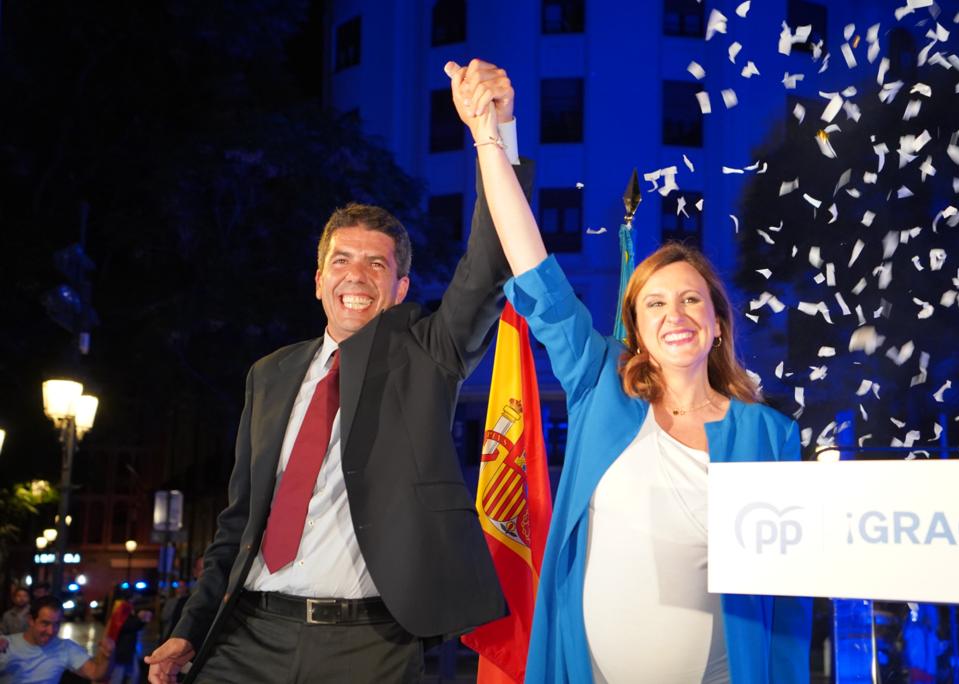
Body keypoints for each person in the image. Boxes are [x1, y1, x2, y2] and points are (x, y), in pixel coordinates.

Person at [145, 59, 534, 684]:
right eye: (342, 260)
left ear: (401, 288)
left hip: (371, 648)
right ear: (319, 278)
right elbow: (237, 525)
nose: (357, 274)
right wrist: (187, 631)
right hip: (245, 638)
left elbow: (491, 262)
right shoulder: (268, 375)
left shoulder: (427, 352)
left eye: (377, 265)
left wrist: (496, 134)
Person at [452, 64, 813, 682]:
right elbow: (532, 263)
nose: (675, 314)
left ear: (719, 323)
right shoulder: (602, 388)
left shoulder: (768, 435)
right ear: (636, 331)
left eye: (692, 299)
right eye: (655, 303)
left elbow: (786, 606)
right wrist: (490, 137)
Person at [0, 595, 112, 683]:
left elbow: (96, 674)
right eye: (45, 623)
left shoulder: (65, 647)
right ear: (31, 620)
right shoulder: (6, 645)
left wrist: (107, 655)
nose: (51, 631)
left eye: (57, 624)